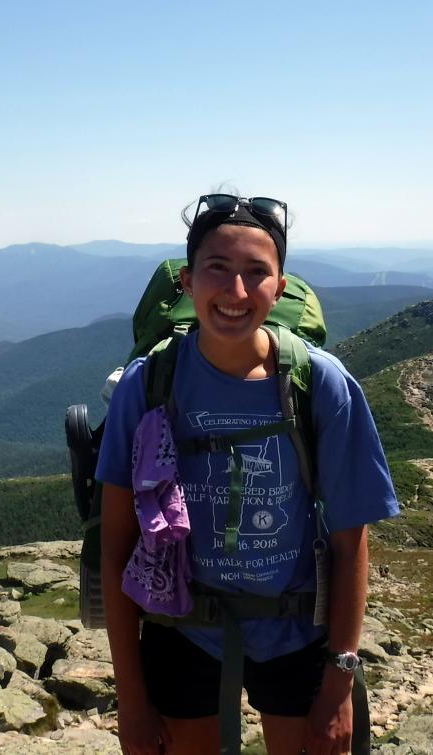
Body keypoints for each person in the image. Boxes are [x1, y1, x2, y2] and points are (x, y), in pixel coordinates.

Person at [95, 193, 399, 755]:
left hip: (296, 629)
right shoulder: (149, 383)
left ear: (280, 287)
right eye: (218, 269)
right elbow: (116, 547)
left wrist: (339, 681)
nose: (236, 292)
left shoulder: (320, 383)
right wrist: (132, 700)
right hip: (180, 626)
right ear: (187, 282)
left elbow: (350, 541)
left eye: (256, 273)